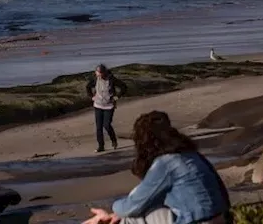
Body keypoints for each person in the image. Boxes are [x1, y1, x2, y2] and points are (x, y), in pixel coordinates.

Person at [83, 111, 230, 224]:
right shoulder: (191, 155)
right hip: (220, 219)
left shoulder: (167, 163)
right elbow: (223, 195)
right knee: (141, 210)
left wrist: (113, 210)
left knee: (132, 219)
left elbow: (133, 205)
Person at [87, 64, 128, 153]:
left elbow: (124, 87)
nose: (99, 75)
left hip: (109, 106)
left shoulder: (111, 79)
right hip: (98, 105)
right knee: (98, 127)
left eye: (100, 73)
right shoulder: (95, 79)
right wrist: (92, 97)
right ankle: (101, 146)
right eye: (97, 73)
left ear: (104, 72)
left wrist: (116, 97)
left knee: (106, 125)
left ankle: (113, 140)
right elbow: (88, 87)